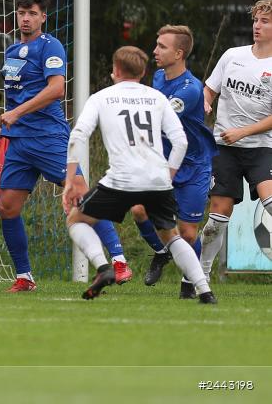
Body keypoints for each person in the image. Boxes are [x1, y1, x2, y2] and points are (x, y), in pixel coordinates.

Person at [0, 0, 131, 292]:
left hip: (49, 138)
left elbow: (56, 90)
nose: (26, 18)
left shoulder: (50, 47)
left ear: (43, 17)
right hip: (19, 141)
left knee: (81, 197)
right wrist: (5, 127)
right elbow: (20, 97)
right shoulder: (12, 51)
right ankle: (25, 277)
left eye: (32, 13)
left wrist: (16, 113)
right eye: (21, 12)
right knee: (7, 207)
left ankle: (118, 261)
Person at [62, 46, 216, 304]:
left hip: (120, 180)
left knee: (76, 219)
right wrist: (168, 174)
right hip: (157, 180)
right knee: (171, 235)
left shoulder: (101, 97)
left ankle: (103, 268)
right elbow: (180, 141)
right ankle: (205, 291)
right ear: (144, 72)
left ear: (116, 70)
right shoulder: (156, 97)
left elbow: (78, 135)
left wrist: (70, 181)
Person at [131, 25, 216, 298]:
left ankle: (190, 281)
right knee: (138, 210)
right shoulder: (157, 76)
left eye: (162, 47)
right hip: (164, 162)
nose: (155, 51)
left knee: (188, 234)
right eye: (156, 45)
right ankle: (160, 251)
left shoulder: (191, 89)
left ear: (179, 53)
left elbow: (157, 117)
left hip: (193, 166)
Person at [200, 0, 272, 277]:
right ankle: (199, 276)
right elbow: (209, 90)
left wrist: (243, 131)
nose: (257, 25)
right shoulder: (232, 55)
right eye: (256, 20)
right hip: (224, 148)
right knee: (217, 219)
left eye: (265, 21)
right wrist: (205, 102)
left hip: (261, 147)